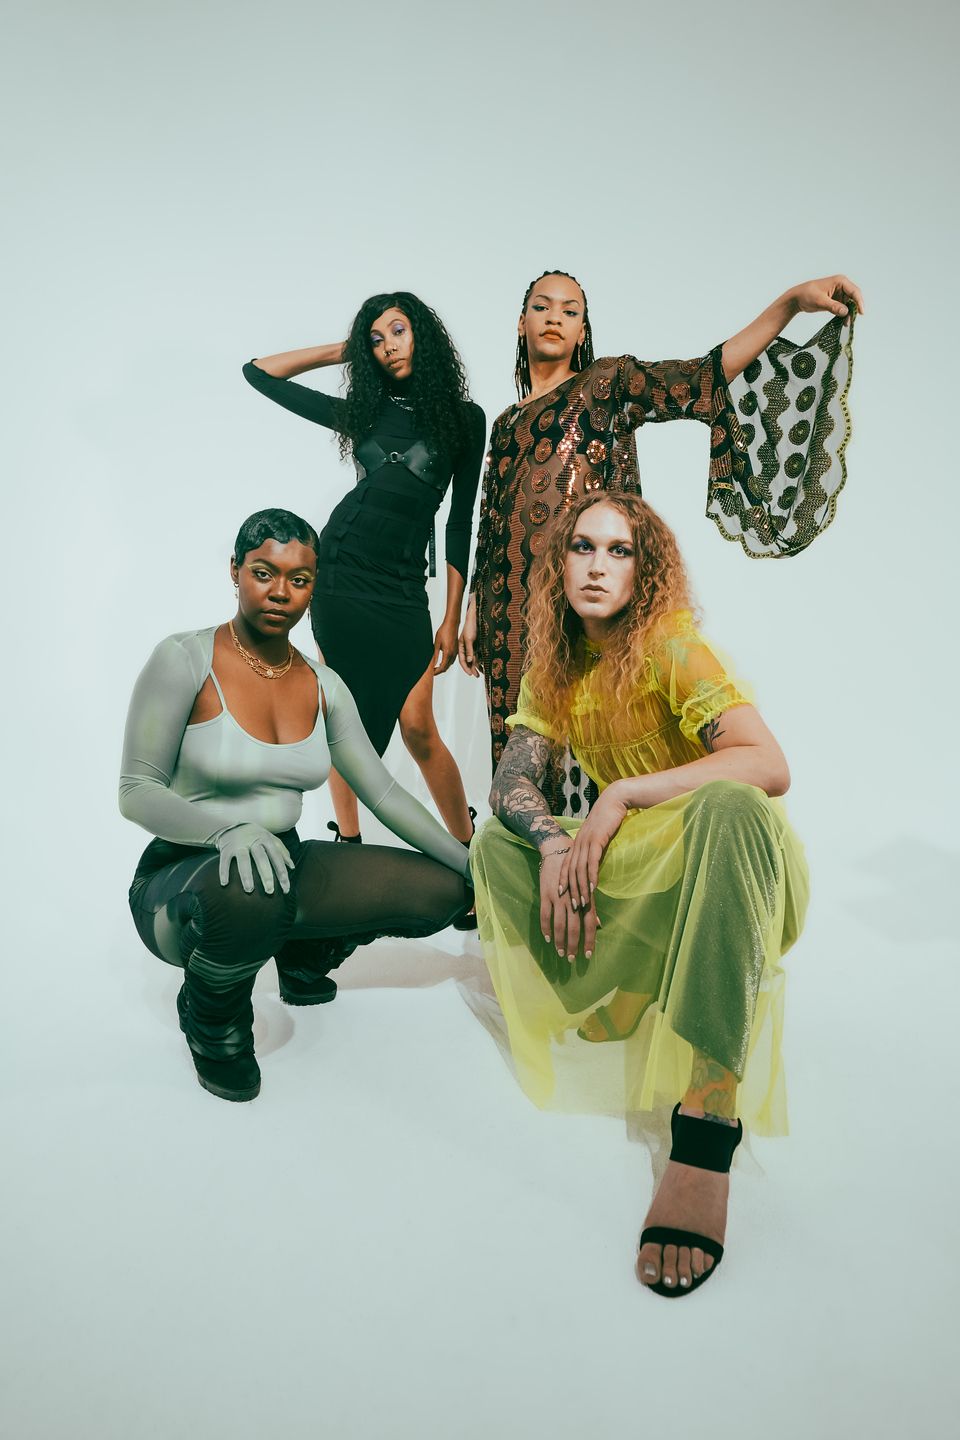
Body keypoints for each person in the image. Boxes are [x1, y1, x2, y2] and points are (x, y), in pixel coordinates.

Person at [469, 492, 808, 1297]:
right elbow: (513, 777)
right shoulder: (556, 666)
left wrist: (621, 796)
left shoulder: (672, 647)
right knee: (496, 840)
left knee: (727, 802)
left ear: (644, 568)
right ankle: (632, 972)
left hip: (739, 866)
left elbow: (769, 766)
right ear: (559, 564)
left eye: (619, 551)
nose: (596, 564)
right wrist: (554, 839)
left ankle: (706, 1119)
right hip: (649, 863)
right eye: (582, 547)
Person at [458, 268, 862, 791]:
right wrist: (473, 605)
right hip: (506, 616)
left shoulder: (604, 385)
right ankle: (528, 869)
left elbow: (701, 376)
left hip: (578, 612)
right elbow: (490, 520)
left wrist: (788, 304)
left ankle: (593, 868)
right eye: (542, 306)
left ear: (582, 331)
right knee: (517, 768)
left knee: (586, 762)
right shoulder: (505, 422)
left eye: (570, 310)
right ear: (521, 322)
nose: (554, 316)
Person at [119, 508, 472, 1103]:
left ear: (314, 585)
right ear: (235, 571)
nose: (281, 592)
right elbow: (136, 791)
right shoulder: (184, 659)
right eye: (264, 572)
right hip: (187, 876)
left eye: (300, 579)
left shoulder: (323, 684)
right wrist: (228, 830)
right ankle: (212, 1015)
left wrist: (469, 861)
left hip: (285, 863)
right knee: (254, 893)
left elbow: (381, 791)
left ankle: (304, 955)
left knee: (444, 891)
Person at [243, 293, 485, 864]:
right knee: (343, 722)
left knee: (419, 726)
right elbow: (259, 374)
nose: (387, 346)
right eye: (375, 339)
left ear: (421, 336)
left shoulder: (463, 419)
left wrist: (451, 616)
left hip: (402, 588)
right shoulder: (363, 412)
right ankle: (347, 845)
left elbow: (459, 522)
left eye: (397, 331)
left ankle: (470, 855)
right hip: (342, 579)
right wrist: (343, 351)